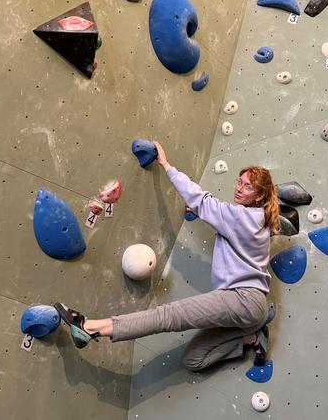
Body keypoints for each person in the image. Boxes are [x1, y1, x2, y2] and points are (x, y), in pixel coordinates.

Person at [54, 141, 281, 371]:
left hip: (243, 299)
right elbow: (225, 226)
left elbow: (201, 200)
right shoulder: (257, 222)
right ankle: (250, 338)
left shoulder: (241, 217)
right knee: (193, 360)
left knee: (168, 316)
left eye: (248, 187)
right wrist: (200, 211)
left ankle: (89, 328)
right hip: (250, 308)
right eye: (239, 182)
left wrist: (166, 164)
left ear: (260, 196)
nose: (239, 189)